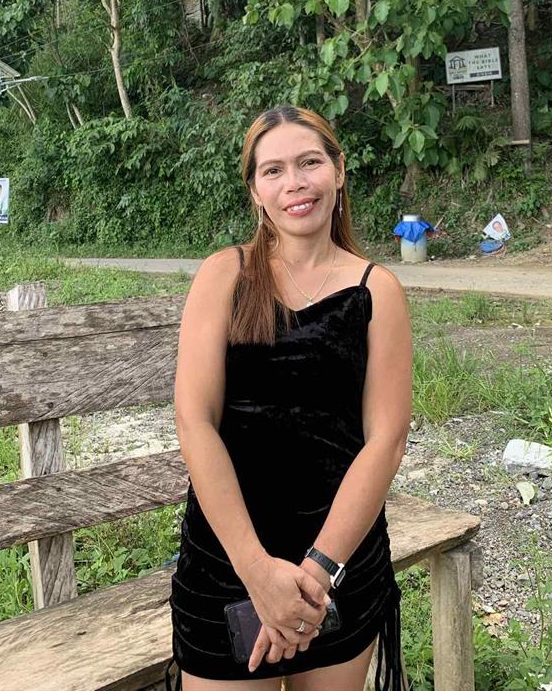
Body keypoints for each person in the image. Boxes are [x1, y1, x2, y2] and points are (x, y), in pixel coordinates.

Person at [168, 105, 413, 691]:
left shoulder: (376, 290)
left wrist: (318, 571)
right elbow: (195, 421)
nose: (295, 184)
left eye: (309, 163)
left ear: (339, 170)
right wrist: (258, 573)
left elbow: (386, 440)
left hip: (339, 561)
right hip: (227, 562)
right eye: (273, 171)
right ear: (255, 190)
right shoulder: (224, 276)